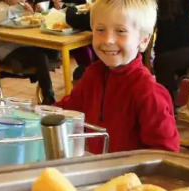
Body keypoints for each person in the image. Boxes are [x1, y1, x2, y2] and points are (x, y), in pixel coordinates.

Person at [56, 0, 179, 153]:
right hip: (98, 164)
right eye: (100, 29)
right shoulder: (92, 75)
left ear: (144, 40)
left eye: (120, 31)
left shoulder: (148, 92)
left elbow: (165, 152)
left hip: (130, 169)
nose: (108, 40)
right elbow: (67, 109)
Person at [0, 0, 58, 103]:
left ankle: (22, 65)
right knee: (40, 57)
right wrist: (17, 8)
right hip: (10, 50)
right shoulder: (1, 8)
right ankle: (48, 96)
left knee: (54, 51)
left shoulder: (22, 8)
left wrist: (37, 12)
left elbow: (31, 21)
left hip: (26, 45)